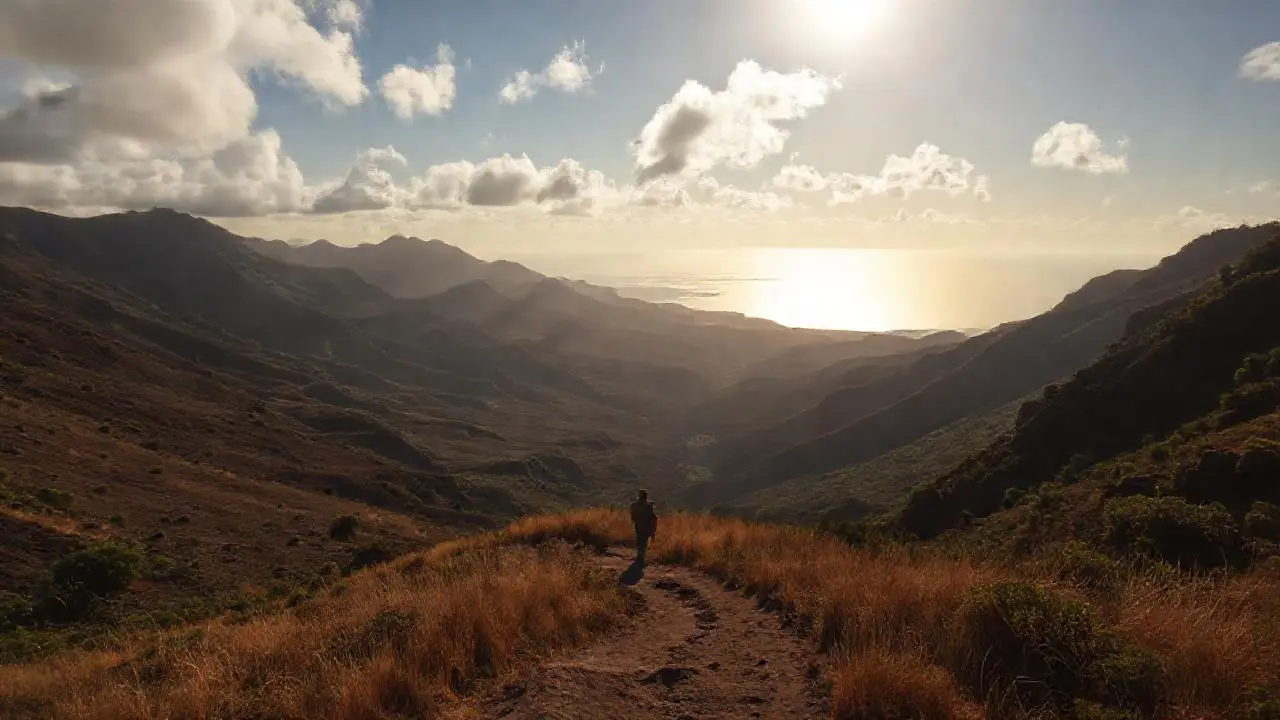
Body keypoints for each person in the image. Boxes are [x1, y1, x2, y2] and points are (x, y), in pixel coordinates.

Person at [630, 489, 657, 563]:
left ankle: (640, 557)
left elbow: (633, 516)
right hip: (646, 526)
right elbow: (652, 516)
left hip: (638, 525)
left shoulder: (634, 505)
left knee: (640, 541)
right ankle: (641, 557)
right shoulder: (649, 506)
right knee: (644, 542)